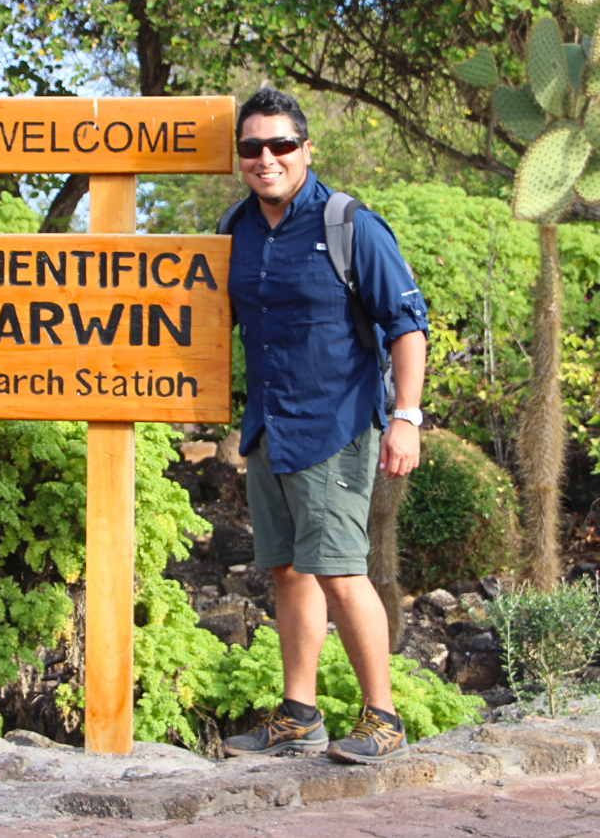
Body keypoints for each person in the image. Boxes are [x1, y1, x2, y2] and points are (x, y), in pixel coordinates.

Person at [219, 88, 428, 765]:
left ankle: (384, 718)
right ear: (240, 157)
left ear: (307, 149)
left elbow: (407, 326)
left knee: (340, 571)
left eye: (280, 144)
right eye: (252, 147)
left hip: (336, 425)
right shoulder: (236, 229)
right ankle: (299, 715)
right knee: (286, 570)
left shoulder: (349, 225)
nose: (266, 158)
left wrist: (407, 418)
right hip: (268, 427)